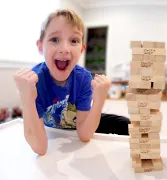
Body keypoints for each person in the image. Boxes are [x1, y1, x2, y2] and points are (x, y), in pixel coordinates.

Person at [13, 9, 130, 155]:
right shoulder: (36, 81)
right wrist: (26, 98)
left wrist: (99, 99)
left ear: (81, 49)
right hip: (52, 129)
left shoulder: (84, 79)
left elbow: (84, 135)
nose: (64, 49)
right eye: (55, 39)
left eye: (74, 41)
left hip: (78, 123)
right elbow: (40, 148)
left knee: (124, 124)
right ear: (40, 46)